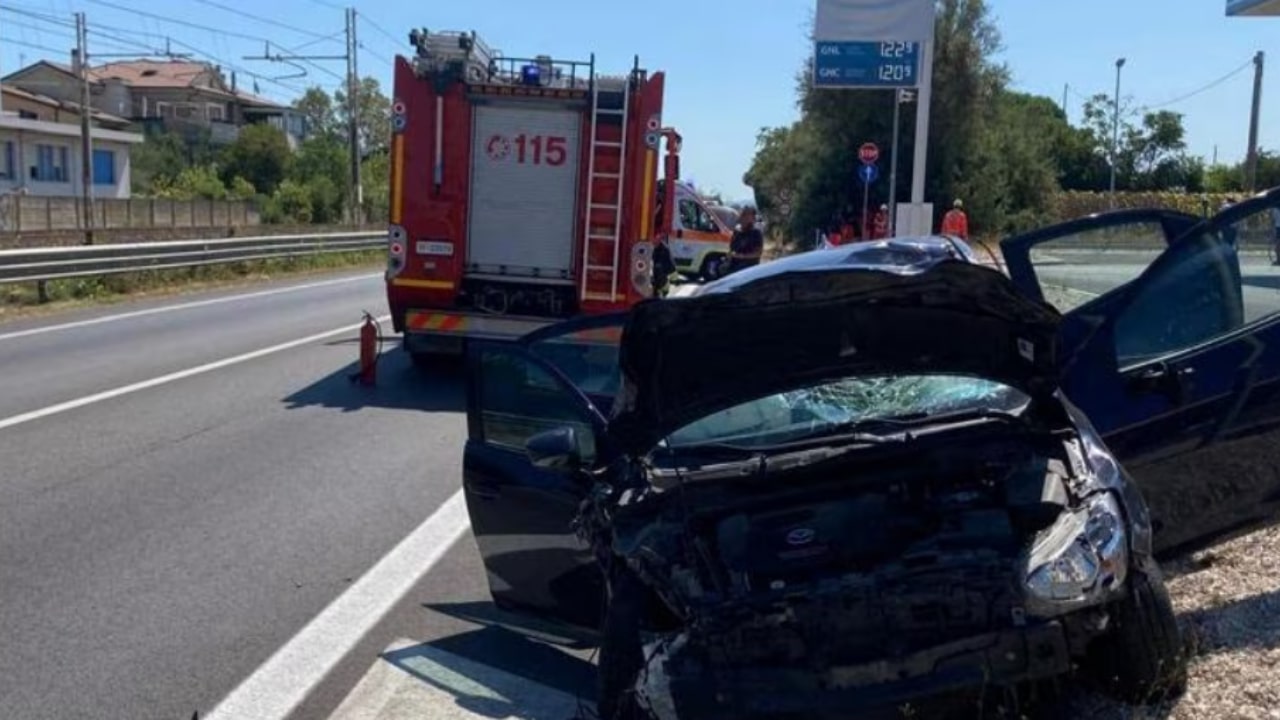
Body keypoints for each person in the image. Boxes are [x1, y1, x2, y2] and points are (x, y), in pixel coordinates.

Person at [725, 206, 765, 275]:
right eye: (743, 214)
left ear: (753, 218)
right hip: (734, 265)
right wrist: (730, 256)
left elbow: (757, 253)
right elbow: (732, 248)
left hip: (748, 268)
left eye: (747, 215)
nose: (744, 217)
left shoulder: (756, 232)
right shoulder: (737, 231)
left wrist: (741, 256)